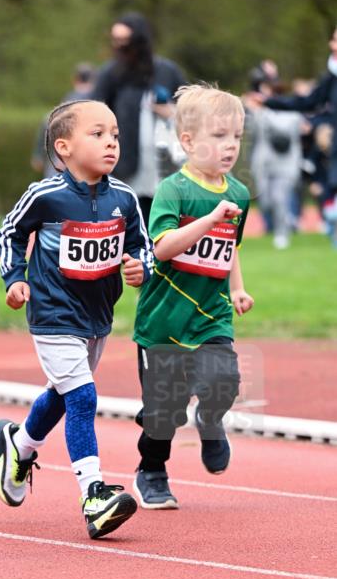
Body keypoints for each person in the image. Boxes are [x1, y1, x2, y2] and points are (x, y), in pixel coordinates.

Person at [0, 99, 153, 540]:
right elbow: (10, 232)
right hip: (52, 312)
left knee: (63, 395)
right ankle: (94, 495)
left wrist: (140, 268)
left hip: (97, 316)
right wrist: (14, 278)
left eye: (115, 135)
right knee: (83, 396)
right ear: (63, 148)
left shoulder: (124, 198)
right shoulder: (45, 196)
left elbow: (142, 246)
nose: (111, 143)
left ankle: (20, 446)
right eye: (97, 134)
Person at [132, 84, 254, 510]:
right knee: (164, 411)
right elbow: (163, 247)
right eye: (219, 136)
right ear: (187, 141)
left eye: (236, 136)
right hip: (164, 319)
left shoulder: (238, 194)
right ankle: (151, 471)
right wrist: (209, 219)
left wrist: (237, 288)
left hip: (211, 314)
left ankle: (210, 418)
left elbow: (230, 246)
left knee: (224, 380)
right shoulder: (174, 190)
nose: (230, 146)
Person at [92, 12, 186, 225]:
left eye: (125, 41)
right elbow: (94, 114)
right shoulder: (110, 74)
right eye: (116, 40)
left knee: (165, 221)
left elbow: (191, 109)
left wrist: (172, 112)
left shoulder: (166, 71)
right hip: (126, 163)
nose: (120, 47)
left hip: (165, 162)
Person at [259, 27, 337, 203]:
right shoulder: (332, 78)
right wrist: (268, 101)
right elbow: (308, 102)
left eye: (335, 40)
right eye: (333, 40)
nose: (332, 45)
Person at [246, 65, 305, 249]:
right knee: (265, 202)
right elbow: (250, 132)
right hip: (264, 164)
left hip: (285, 164)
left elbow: (286, 133)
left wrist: (263, 112)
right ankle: (282, 221)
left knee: (279, 198)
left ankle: (282, 233)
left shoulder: (291, 113)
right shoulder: (259, 113)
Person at [31, 63, 96, 179]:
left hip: (63, 159)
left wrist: (38, 155)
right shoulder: (100, 98)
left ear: (75, 79)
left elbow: (48, 122)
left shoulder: (70, 97)